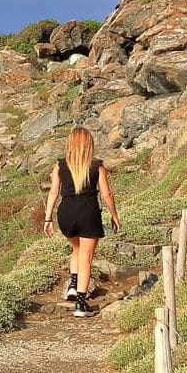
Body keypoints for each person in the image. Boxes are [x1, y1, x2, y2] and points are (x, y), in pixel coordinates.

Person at [41, 126, 120, 317]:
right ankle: (81, 305)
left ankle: (73, 285)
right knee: (86, 259)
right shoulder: (96, 166)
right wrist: (114, 215)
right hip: (88, 213)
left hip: (66, 213)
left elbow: (53, 192)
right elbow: (106, 194)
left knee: (76, 249)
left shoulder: (60, 165)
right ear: (88, 145)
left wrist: (48, 218)